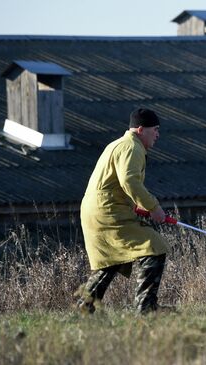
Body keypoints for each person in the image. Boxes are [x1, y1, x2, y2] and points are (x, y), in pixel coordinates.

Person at [76, 108, 168, 314]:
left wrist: (136, 206)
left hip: (97, 211)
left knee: (111, 261)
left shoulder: (119, 144)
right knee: (155, 246)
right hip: (108, 213)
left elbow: (118, 183)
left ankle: (84, 307)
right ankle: (145, 308)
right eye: (155, 130)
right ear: (141, 129)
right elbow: (129, 180)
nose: (157, 134)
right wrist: (153, 207)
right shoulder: (131, 147)